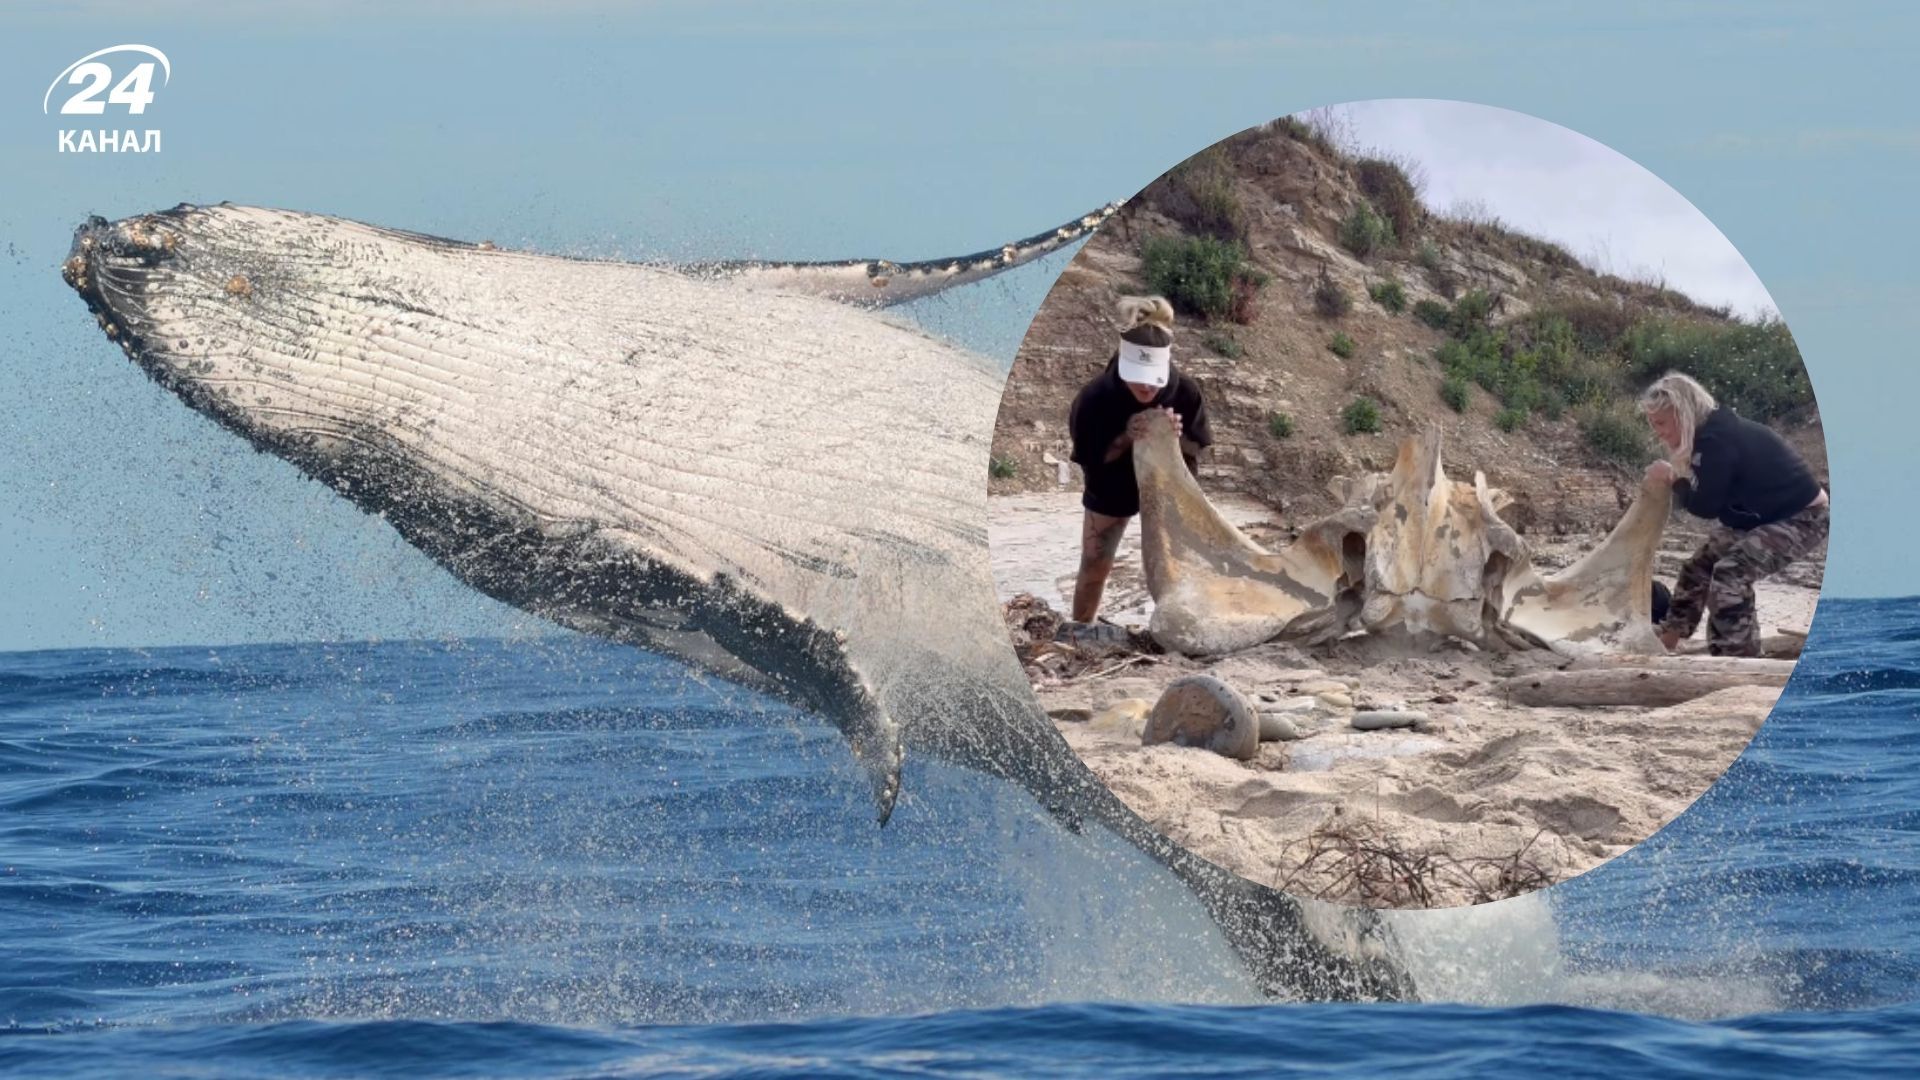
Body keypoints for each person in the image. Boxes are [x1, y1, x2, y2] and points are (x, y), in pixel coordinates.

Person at [1639, 371, 1828, 657]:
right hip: (1761, 516)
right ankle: (1670, 636)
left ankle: (1738, 657)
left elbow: (1705, 506)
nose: (1659, 432)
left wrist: (1673, 480)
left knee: (1731, 574)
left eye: (1662, 423)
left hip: (1803, 517)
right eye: (1653, 425)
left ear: (1684, 413)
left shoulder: (1717, 440)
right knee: (1699, 565)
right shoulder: (1708, 435)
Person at [1060, 296, 1213, 636]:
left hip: (1168, 488)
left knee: (1174, 567)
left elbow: (1196, 448)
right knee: (1095, 560)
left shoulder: (1186, 393)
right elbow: (1091, 460)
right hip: (1111, 487)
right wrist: (1125, 437)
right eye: (1137, 377)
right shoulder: (1094, 399)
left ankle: (1184, 630)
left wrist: (1172, 436)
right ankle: (1082, 628)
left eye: (1152, 378)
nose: (1145, 386)